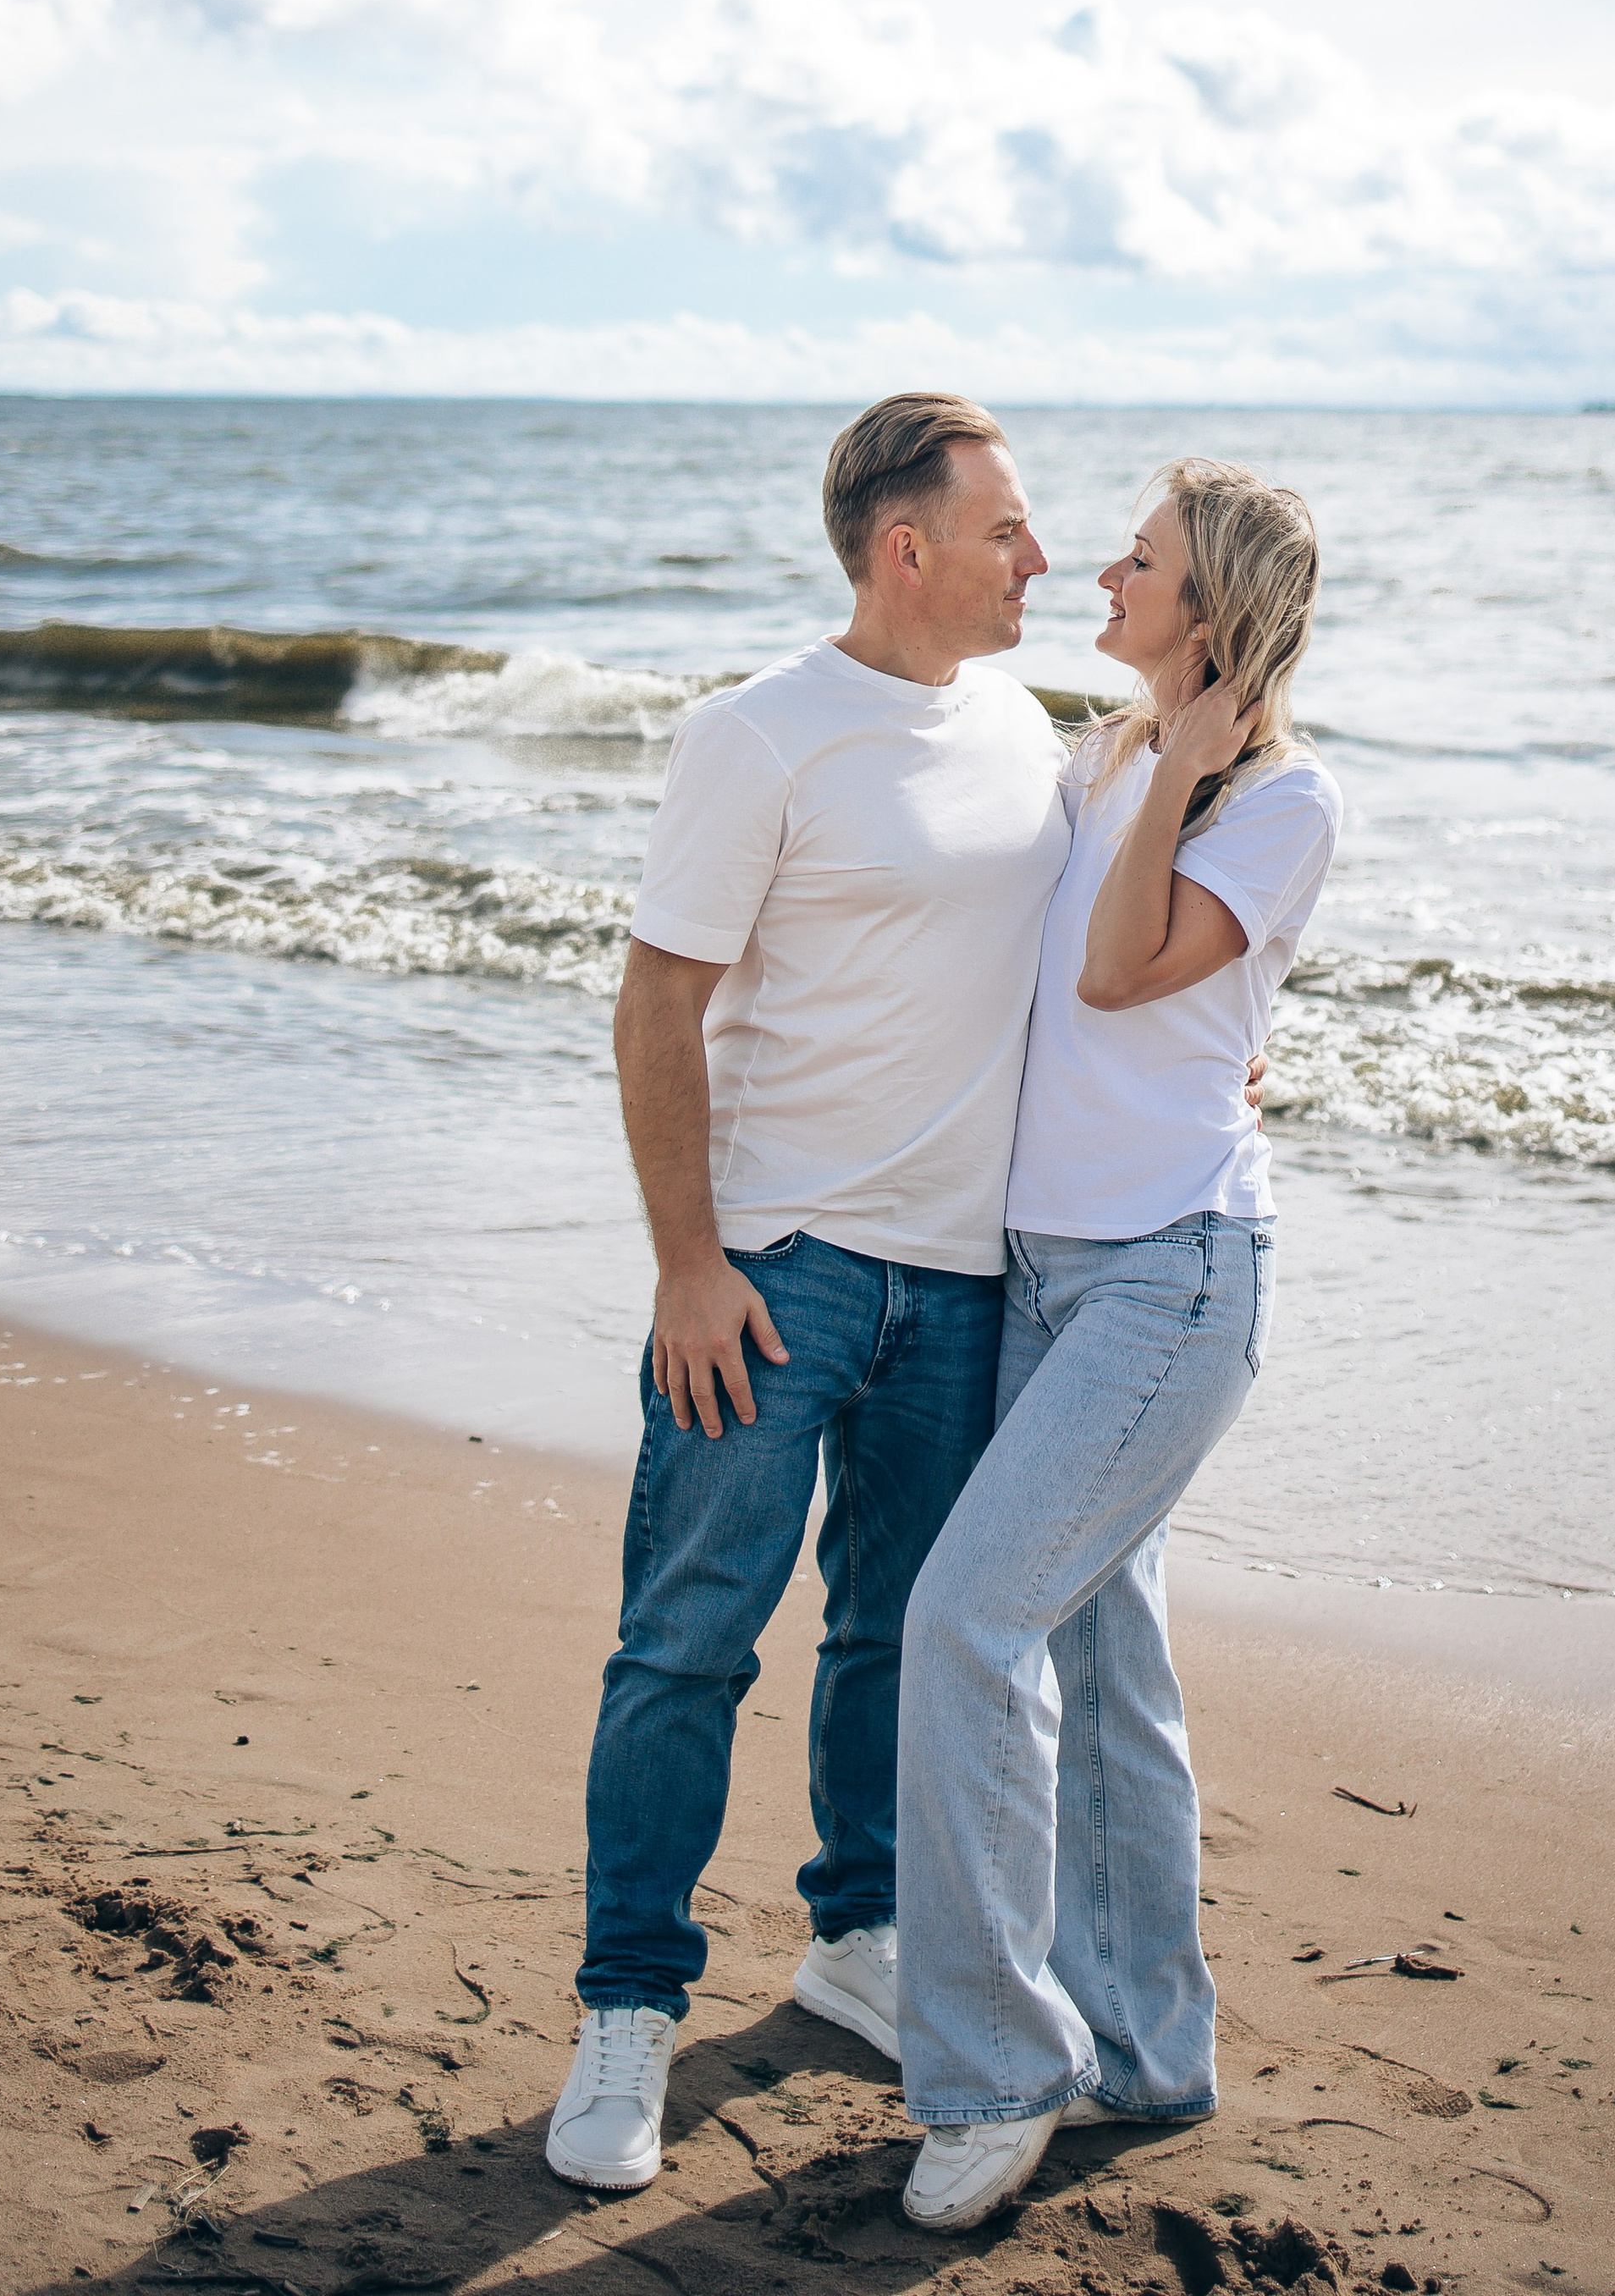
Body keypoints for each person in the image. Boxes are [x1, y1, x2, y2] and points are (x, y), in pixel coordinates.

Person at [542, 390, 1072, 2192]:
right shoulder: (757, 737)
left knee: (888, 1643)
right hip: (774, 1277)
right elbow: (653, 1002)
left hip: (961, 1281)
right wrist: (687, 1264)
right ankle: (628, 2010)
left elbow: (1075, 956)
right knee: (688, 1640)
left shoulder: (1023, 727)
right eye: (1007, 528)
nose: (1040, 558)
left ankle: (856, 1939)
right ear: (902, 545)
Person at [891, 455, 1339, 2232]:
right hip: (1039, 1272)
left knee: (965, 1619)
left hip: (1168, 1279)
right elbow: (1019, 976)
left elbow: (1113, 971)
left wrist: (1178, 752)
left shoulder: (1283, 803)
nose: (1098, 567)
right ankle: (1148, 2049)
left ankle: (998, 2068)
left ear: (1207, 612)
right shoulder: (1092, 753)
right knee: (1103, 1672)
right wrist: (1145, 746)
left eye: (1136, 561)